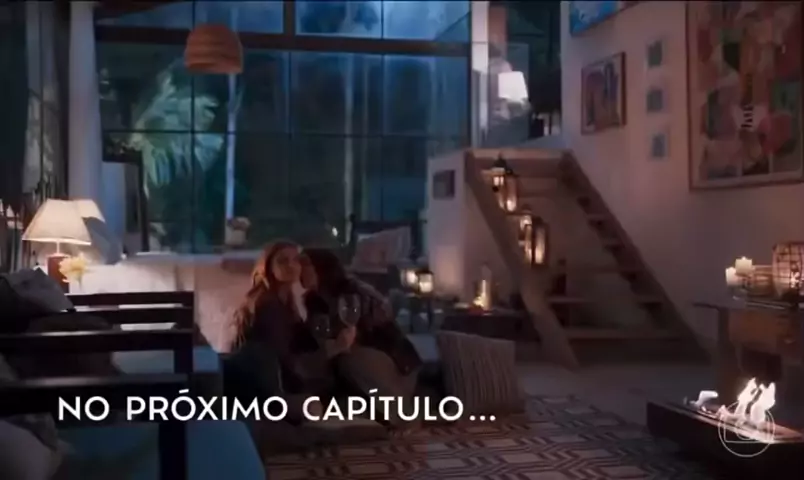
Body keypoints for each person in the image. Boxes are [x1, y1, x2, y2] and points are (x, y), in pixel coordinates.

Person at [227, 241, 356, 420]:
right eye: (282, 261)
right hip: (267, 389)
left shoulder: (287, 301)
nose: (291, 265)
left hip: (276, 382)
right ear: (269, 267)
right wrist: (334, 348)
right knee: (322, 406)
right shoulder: (268, 305)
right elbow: (287, 362)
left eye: (296, 260)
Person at [301, 248, 423, 428]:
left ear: (321, 267)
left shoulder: (354, 291)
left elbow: (383, 328)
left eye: (305, 264)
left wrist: (351, 335)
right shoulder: (312, 300)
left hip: (393, 362)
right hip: (351, 364)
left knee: (352, 359)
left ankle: (405, 418)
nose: (299, 269)